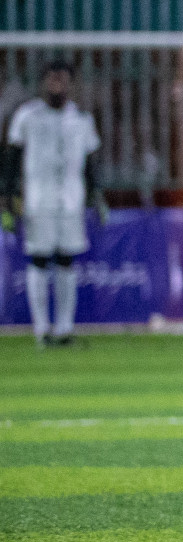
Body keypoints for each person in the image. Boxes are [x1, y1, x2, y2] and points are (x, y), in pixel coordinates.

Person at [4, 61, 105, 347]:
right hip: (37, 199)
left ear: (71, 83)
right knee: (39, 259)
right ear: (43, 83)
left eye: (62, 79)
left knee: (66, 260)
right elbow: (11, 158)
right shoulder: (27, 116)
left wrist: (96, 195)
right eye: (52, 79)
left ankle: (64, 329)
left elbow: (91, 161)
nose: (57, 85)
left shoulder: (82, 118)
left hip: (71, 201)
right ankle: (41, 330)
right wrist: (8, 196)